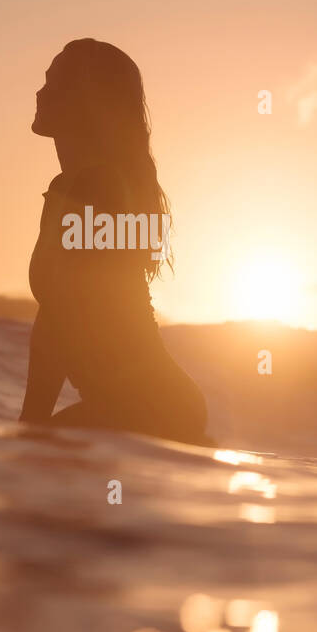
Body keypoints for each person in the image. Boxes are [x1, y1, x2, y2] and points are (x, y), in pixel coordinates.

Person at [19, 39, 208, 443]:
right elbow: (55, 314)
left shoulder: (98, 187)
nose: (39, 92)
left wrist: (28, 428)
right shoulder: (72, 187)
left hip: (152, 406)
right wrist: (29, 425)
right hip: (151, 405)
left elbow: (60, 313)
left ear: (84, 100)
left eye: (53, 82)